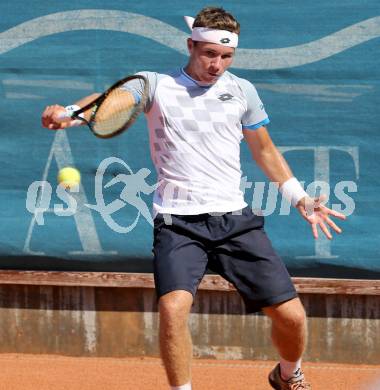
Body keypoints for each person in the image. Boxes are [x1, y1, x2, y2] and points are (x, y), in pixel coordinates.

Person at [41, 7, 346, 390]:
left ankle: (288, 374)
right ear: (191, 45)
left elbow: (265, 150)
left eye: (226, 56)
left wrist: (299, 197)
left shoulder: (241, 91)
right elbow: (112, 101)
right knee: (172, 308)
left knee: (293, 318)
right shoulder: (155, 84)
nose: (217, 64)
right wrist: (71, 114)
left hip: (234, 220)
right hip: (177, 222)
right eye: (209, 54)